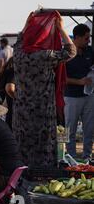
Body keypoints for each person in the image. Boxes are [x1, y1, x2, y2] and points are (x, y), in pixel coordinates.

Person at [13, 11, 76, 169]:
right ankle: (42, 176)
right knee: (43, 146)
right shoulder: (45, 56)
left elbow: (20, 39)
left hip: (21, 111)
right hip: (42, 111)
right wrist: (61, 28)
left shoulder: (18, 54)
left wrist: (27, 25)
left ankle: (21, 176)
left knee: (24, 144)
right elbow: (71, 51)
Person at [64, 24, 94, 161]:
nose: (88, 40)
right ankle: (71, 157)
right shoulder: (66, 53)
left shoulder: (90, 51)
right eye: (86, 38)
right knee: (70, 129)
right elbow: (61, 78)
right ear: (77, 38)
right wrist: (79, 82)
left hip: (89, 96)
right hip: (71, 97)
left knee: (89, 128)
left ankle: (87, 157)